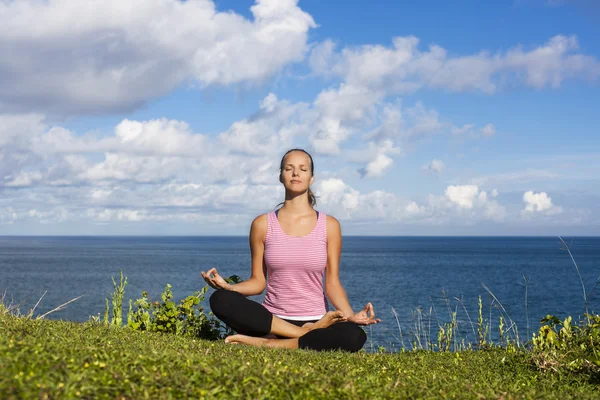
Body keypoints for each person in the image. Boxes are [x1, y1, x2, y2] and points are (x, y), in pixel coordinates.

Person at [201, 148, 380, 352]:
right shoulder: (262, 224)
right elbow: (258, 282)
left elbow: (332, 283)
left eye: (303, 169)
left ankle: (271, 343)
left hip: (317, 320)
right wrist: (229, 287)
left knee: (354, 335)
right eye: (289, 168)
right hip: (273, 321)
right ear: (281, 176)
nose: (296, 173)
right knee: (220, 299)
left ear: (311, 178)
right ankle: (303, 337)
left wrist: (350, 317)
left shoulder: (329, 226)